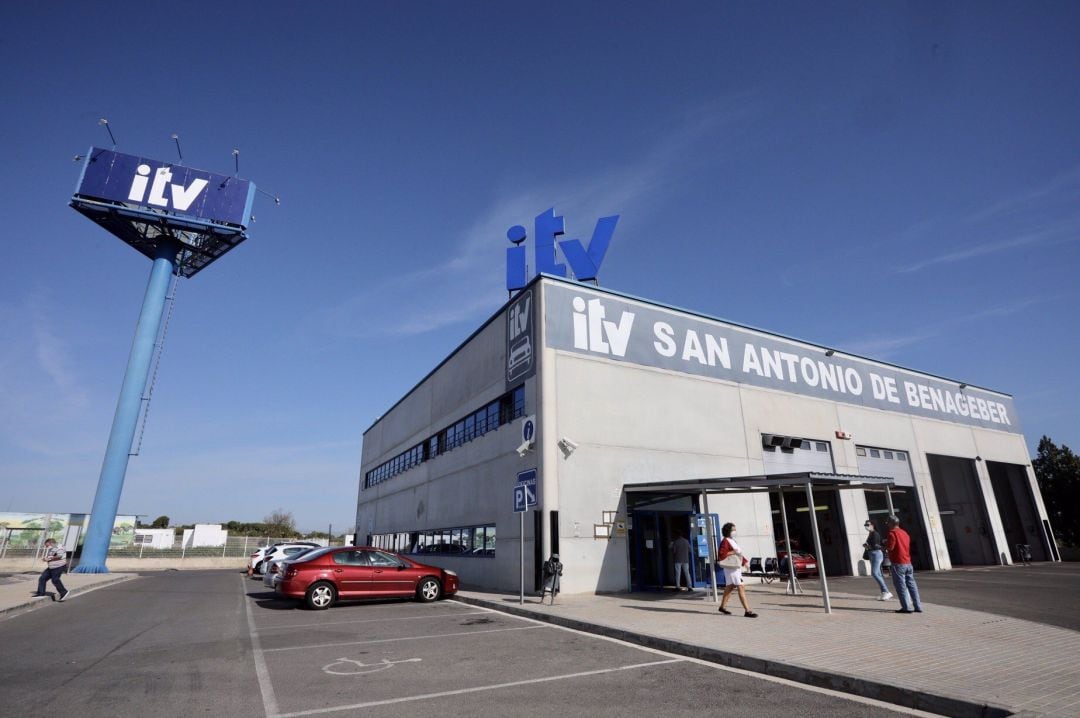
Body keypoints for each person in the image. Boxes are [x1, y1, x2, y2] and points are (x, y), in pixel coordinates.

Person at [717, 522, 757, 617]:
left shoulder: (732, 540)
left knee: (730, 587)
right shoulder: (725, 541)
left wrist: (745, 563)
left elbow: (739, 555)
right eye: (733, 530)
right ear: (728, 531)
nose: (735, 531)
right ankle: (747, 611)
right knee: (741, 586)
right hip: (732, 569)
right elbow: (721, 555)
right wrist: (732, 552)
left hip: (735, 568)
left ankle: (722, 607)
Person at [883, 515, 922, 614]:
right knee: (912, 585)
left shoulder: (892, 533)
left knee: (901, 586)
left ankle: (906, 607)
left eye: (888, 523)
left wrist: (884, 546)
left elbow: (891, 548)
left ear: (891, 523)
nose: (887, 525)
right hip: (908, 562)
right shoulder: (905, 533)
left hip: (898, 563)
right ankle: (918, 606)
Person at [862, 519, 893, 601]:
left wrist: (867, 546)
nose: (866, 526)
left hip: (876, 554)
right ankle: (884, 592)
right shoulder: (871, 534)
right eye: (865, 525)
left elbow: (876, 545)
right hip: (873, 554)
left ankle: (886, 591)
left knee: (875, 573)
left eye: (868, 525)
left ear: (873, 525)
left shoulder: (875, 534)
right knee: (878, 574)